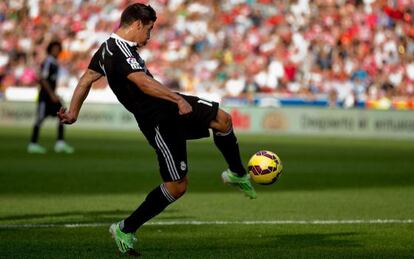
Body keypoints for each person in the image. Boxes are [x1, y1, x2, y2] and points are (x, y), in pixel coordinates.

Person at [58, 3, 256, 256]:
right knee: (177, 186)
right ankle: (125, 228)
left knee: (223, 120)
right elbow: (141, 82)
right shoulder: (118, 52)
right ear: (137, 24)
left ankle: (237, 173)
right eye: (149, 30)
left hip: (167, 104)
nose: (149, 36)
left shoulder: (108, 48)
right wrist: (177, 99)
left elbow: (86, 79)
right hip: (158, 120)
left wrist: (74, 112)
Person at [27, 41, 74, 154]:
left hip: (51, 95)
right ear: (50, 50)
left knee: (62, 116)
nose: (56, 51)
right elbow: (43, 79)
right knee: (40, 118)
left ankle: (60, 143)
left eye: (58, 49)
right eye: (54, 49)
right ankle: (33, 144)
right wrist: (52, 94)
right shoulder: (48, 61)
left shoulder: (54, 62)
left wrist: (54, 93)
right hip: (45, 96)